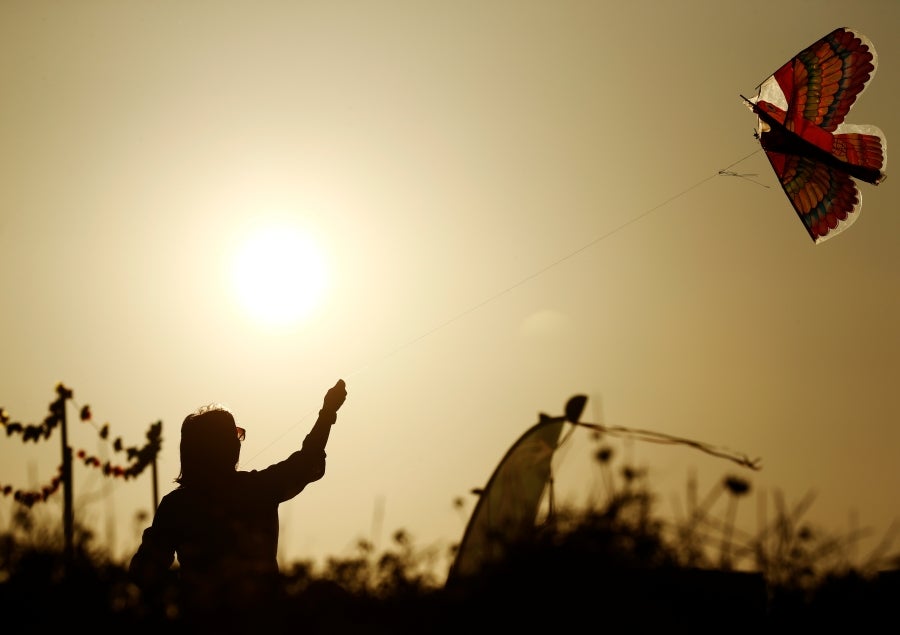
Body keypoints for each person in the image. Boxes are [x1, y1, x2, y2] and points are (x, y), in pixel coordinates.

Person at [128, 379, 348, 631]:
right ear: (226, 446)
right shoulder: (257, 490)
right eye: (235, 435)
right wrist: (328, 412)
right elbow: (307, 462)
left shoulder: (176, 506)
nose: (238, 441)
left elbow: (144, 573)